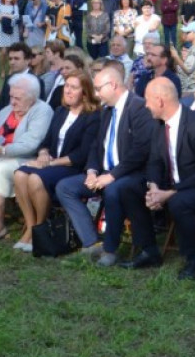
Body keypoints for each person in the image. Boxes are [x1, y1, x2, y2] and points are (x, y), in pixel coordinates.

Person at [55, 61, 154, 266]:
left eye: (99, 89)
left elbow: (140, 151)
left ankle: (110, 250)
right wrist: (91, 171)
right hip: (104, 172)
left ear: (114, 86)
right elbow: (96, 146)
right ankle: (92, 243)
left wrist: (112, 175)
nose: (97, 94)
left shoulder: (138, 107)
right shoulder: (107, 110)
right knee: (65, 187)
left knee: (113, 190)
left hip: (131, 174)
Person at [138, 77, 195, 278]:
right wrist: (154, 188)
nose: (145, 105)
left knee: (179, 201)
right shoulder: (159, 124)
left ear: (160, 100)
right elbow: (154, 160)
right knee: (130, 187)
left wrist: (168, 193)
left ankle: (193, 262)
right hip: (175, 184)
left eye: (147, 100)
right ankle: (148, 250)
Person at [11, 70, 100, 251]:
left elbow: (81, 155)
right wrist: (43, 153)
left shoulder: (92, 116)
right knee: (20, 174)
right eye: (66, 86)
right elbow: (47, 141)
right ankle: (30, 227)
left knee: (36, 178)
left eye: (74, 87)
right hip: (52, 163)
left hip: (74, 168)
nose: (68, 91)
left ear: (85, 92)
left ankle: (40, 229)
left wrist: (48, 163)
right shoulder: (60, 111)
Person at [0, 74, 54, 241]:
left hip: (25, 159)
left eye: (18, 98)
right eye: (11, 96)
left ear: (32, 97)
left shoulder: (42, 110)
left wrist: (2, 150)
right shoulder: (7, 110)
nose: (12, 102)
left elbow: (31, 144)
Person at [170, 21, 195, 93]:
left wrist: (176, 56)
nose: (185, 34)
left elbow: (188, 70)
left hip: (190, 89)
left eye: (188, 32)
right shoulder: (194, 48)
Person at [0, 0, 21, 76]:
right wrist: (9, 16)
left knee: (12, 51)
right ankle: (2, 69)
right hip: (2, 31)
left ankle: (11, 69)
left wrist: (3, 15)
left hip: (13, 31)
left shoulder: (15, 6)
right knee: (3, 52)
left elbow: (16, 17)